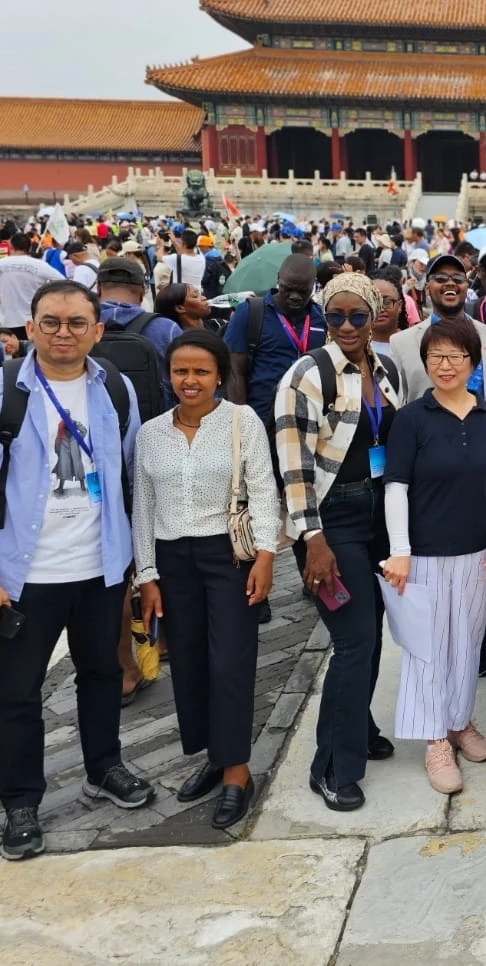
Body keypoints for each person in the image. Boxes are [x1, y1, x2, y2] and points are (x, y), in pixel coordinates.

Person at [0, 280, 153, 861]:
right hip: (24, 575)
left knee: (100, 675)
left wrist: (140, 567)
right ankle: (21, 802)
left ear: (97, 330)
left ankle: (104, 767)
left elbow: (132, 476)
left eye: (75, 323)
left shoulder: (114, 388)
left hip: (100, 566)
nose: (62, 333)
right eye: (50, 322)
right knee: (16, 694)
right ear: (29, 327)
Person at [131, 331, 279, 829]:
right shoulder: (151, 433)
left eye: (200, 371)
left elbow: (263, 491)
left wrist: (266, 556)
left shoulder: (242, 421)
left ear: (220, 375)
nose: (189, 381)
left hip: (229, 556)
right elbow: (143, 508)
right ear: (168, 375)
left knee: (231, 661)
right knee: (189, 662)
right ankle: (214, 757)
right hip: (173, 562)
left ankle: (237, 771)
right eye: (180, 371)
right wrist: (148, 575)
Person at [276, 273, 403, 810]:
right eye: (335, 317)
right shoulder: (308, 373)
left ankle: (357, 722)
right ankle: (332, 764)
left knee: (371, 631)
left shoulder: (388, 366)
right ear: (323, 319)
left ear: (374, 316)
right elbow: (293, 464)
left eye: (357, 316)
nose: (347, 327)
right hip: (335, 519)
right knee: (353, 641)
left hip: (380, 515)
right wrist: (313, 539)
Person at [383, 317, 486, 795]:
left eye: (456, 357)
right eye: (436, 357)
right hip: (421, 555)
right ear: (425, 362)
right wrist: (399, 551)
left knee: (466, 640)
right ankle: (434, 739)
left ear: (473, 362)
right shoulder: (410, 419)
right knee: (427, 647)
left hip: (478, 552)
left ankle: (460, 721)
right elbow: (396, 486)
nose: (446, 366)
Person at [225, 254, 325, 436]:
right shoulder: (251, 313)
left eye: (303, 291)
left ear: (314, 285)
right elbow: (234, 371)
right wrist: (241, 423)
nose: (295, 296)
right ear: (278, 278)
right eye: (288, 289)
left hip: (307, 420)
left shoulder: (321, 319)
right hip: (260, 420)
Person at [392, 254, 486, 402]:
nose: (450, 283)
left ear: (466, 287)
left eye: (458, 279)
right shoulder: (401, 343)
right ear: (427, 288)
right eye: (441, 278)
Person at [0, 232, 62, 339]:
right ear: (29, 248)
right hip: (33, 317)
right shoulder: (39, 264)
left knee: (15, 351)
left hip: (8, 317)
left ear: (11, 246)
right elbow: (62, 280)